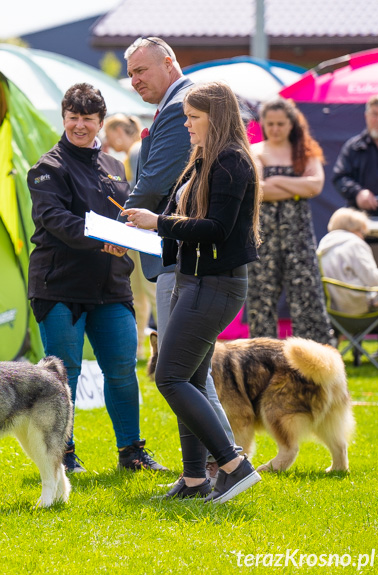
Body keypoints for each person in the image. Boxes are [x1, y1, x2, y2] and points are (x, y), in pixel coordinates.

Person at [124, 81, 263, 503]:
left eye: (193, 117)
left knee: (170, 376)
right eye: (185, 117)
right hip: (193, 281)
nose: (186, 125)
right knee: (190, 378)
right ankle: (195, 480)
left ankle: (234, 466)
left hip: (215, 284)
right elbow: (181, 221)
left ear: (216, 118)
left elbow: (216, 230)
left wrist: (158, 223)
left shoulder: (232, 162)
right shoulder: (204, 159)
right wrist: (133, 229)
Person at [27, 83, 166, 475]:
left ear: (101, 122)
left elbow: (125, 216)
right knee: (63, 374)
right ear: (64, 118)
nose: (80, 126)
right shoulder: (46, 168)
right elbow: (54, 220)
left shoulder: (114, 166)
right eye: (73, 118)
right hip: (60, 288)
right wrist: (102, 238)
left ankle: (132, 454)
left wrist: (132, 235)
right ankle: (62, 456)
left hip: (111, 287)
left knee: (122, 368)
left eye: (88, 119)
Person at [122, 36, 235, 477]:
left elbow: (153, 182)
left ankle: (221, 463)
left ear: (169, 63)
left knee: (180, 374)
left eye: (141, 71)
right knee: (189, 373)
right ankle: (213, 466)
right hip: (180, 259)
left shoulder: (176, 107)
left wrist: (125, 221)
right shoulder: (174, 106)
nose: (134, 80)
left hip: (179, 258)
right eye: (130, 74)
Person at [247, 98, 335, 345]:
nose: (275, 129)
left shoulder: (305, 150)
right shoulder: (256, 151)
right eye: (270, 124)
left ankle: (316, 352)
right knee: (261, 295)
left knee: (306, 292)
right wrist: (298, 186)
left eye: (280, 124)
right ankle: (263, 355)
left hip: (298, 233)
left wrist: (277, 182)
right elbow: (258, 191)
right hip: (264, 234)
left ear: (291, 124)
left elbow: (315, 185)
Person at [104, 114, 156, 358]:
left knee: (148, 291)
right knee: (140, 293)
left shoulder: (134, 151)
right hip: (137, 230)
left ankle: (159, 348)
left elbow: (138, 190)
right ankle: (140, 351)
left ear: (116, 132)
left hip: (139, 231)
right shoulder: (133, 151)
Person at [318, 207, 378, 316]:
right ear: (354, 229)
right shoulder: (354, 244)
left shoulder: (324, 246)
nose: (363, 237)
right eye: (362, 232)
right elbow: (373, 279)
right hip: (359, 307)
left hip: (334, 310)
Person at [333, 94, 378, 213]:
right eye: (375, 115)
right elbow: (340, 177)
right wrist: (357, 193)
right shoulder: (353, 147)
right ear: (366, 116)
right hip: (360, 218)